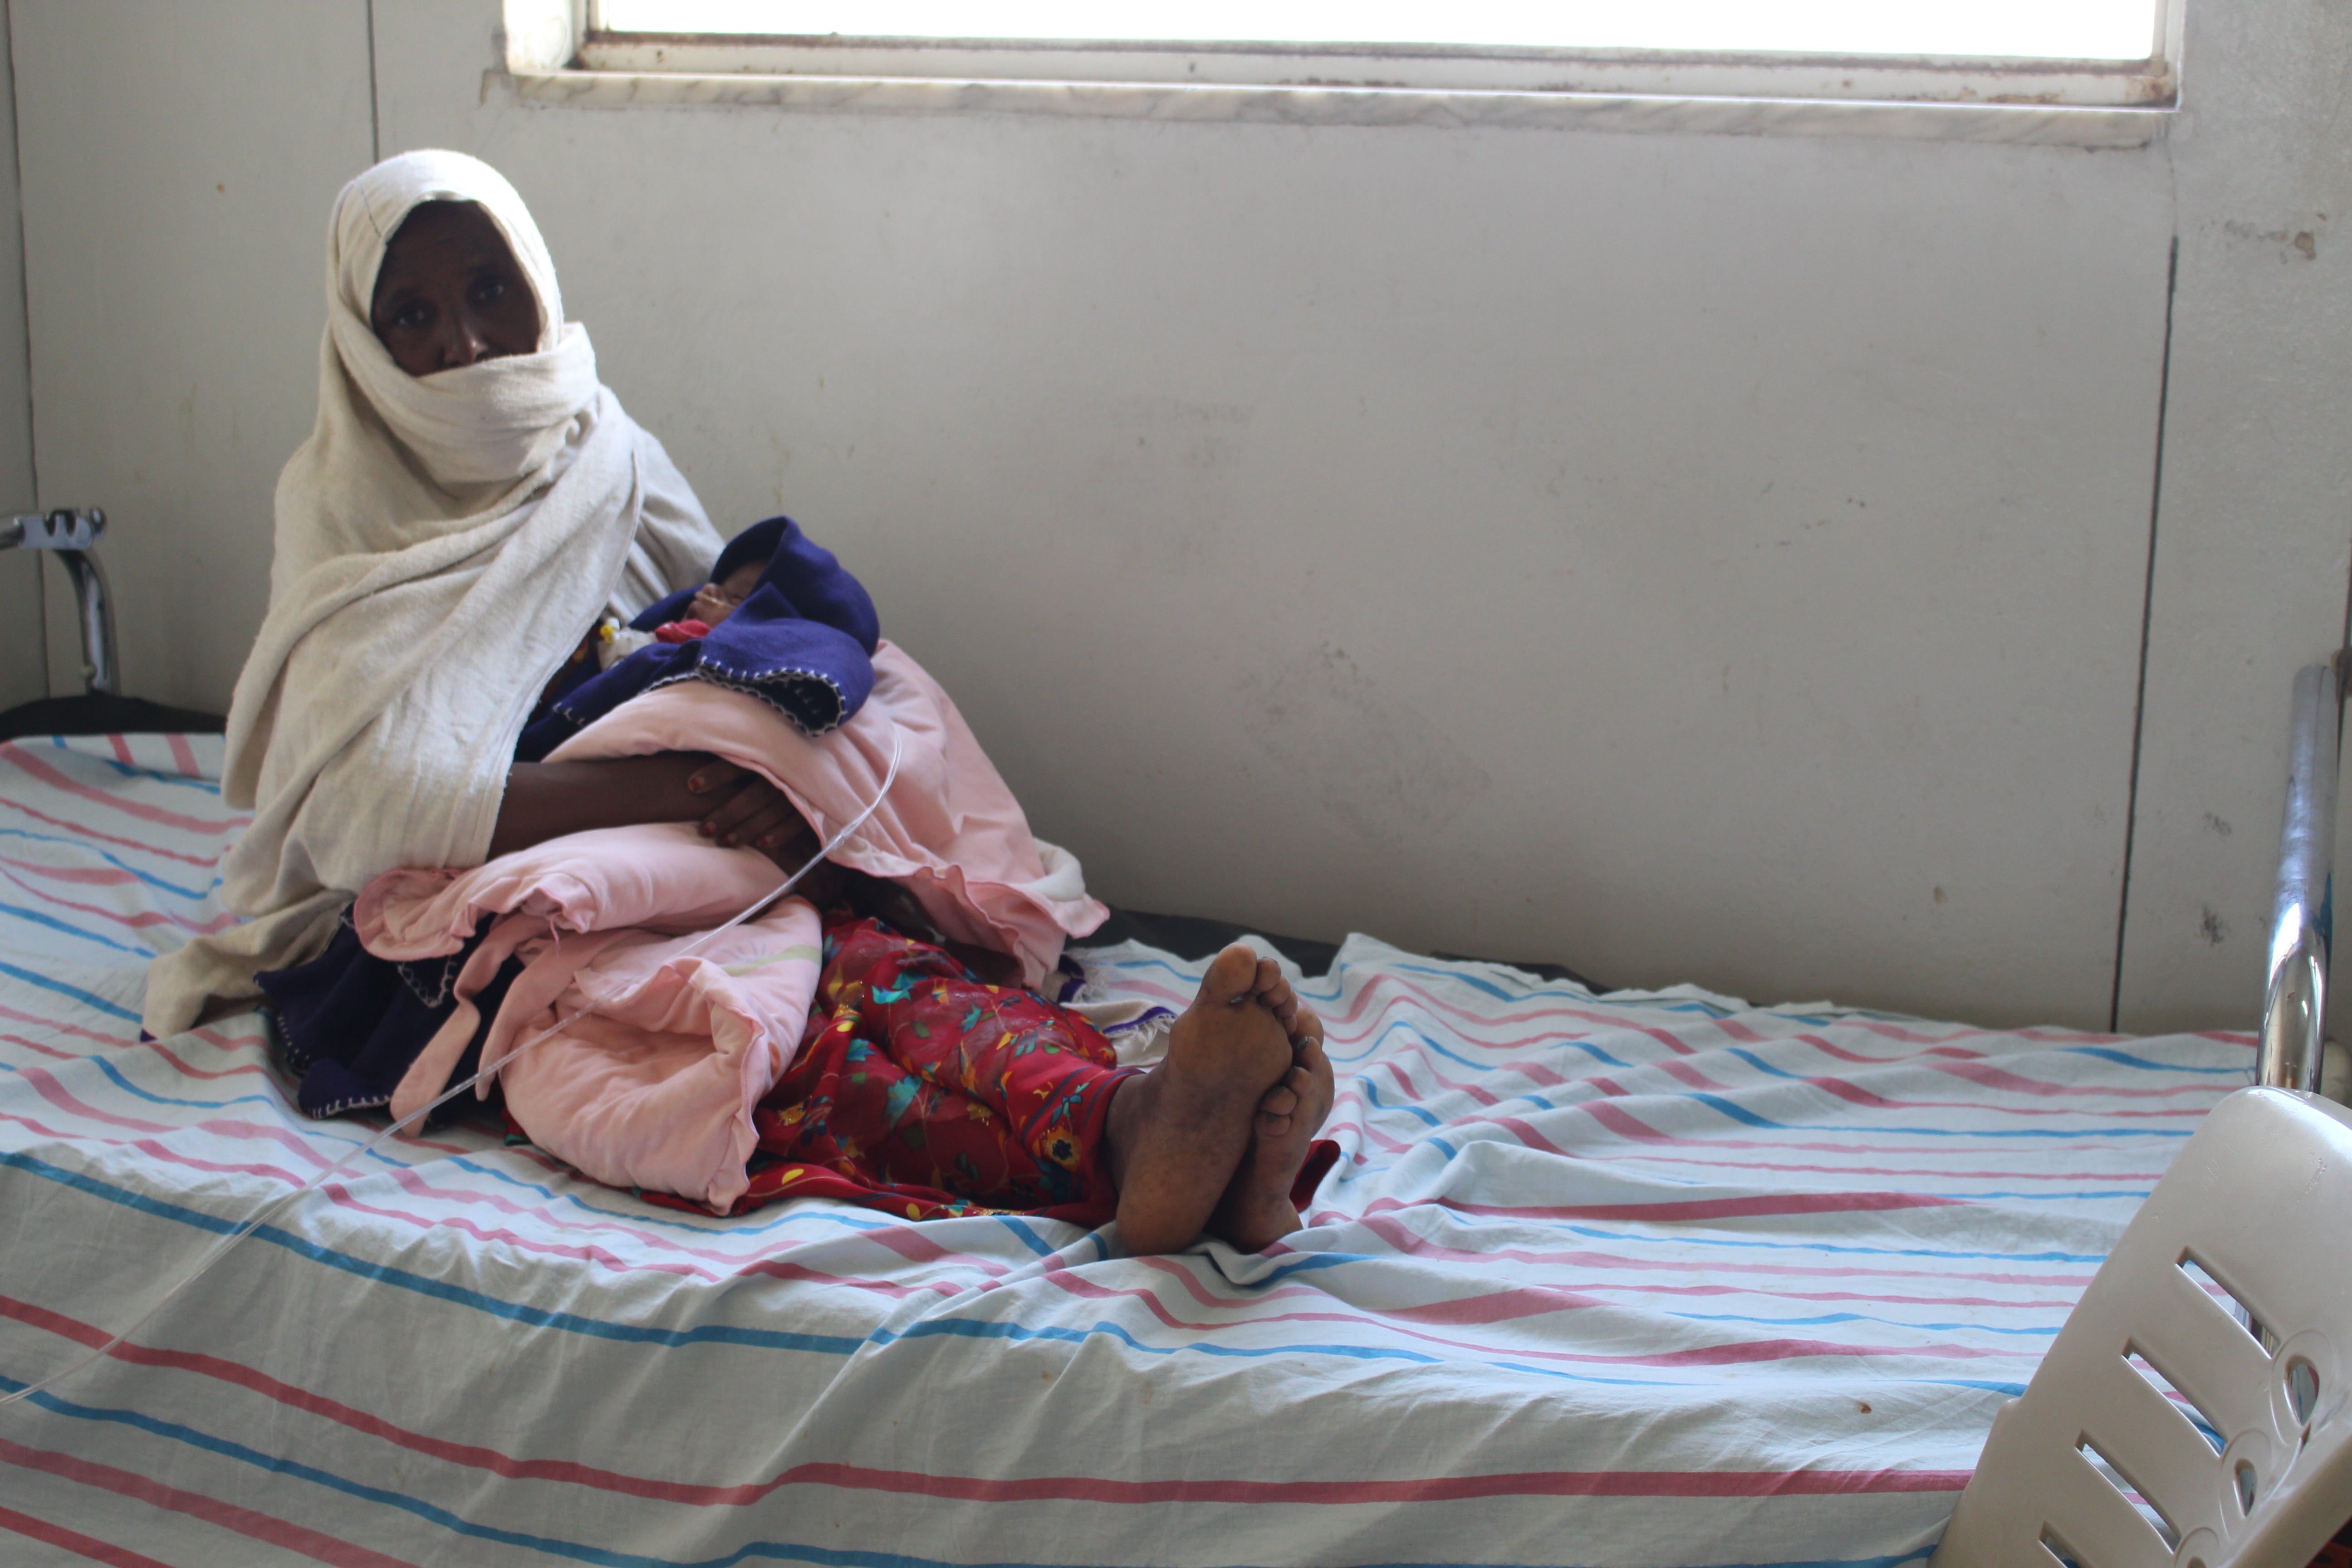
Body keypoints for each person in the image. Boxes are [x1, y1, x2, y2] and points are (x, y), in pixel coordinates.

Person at [148, 149, 1334, 1254]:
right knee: (750, 1034)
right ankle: (1137, 1145)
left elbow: (713, 645)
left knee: (876, 960)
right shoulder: (348, 520)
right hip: (492, 916)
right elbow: (379, 815)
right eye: (412, 315)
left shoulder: (603, 455)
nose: (465, 343)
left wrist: (769, 789)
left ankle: (1159, 1126)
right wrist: (689, 791)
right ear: (364, 349)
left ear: (540, 288)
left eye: (491, 291)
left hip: (685, 850)